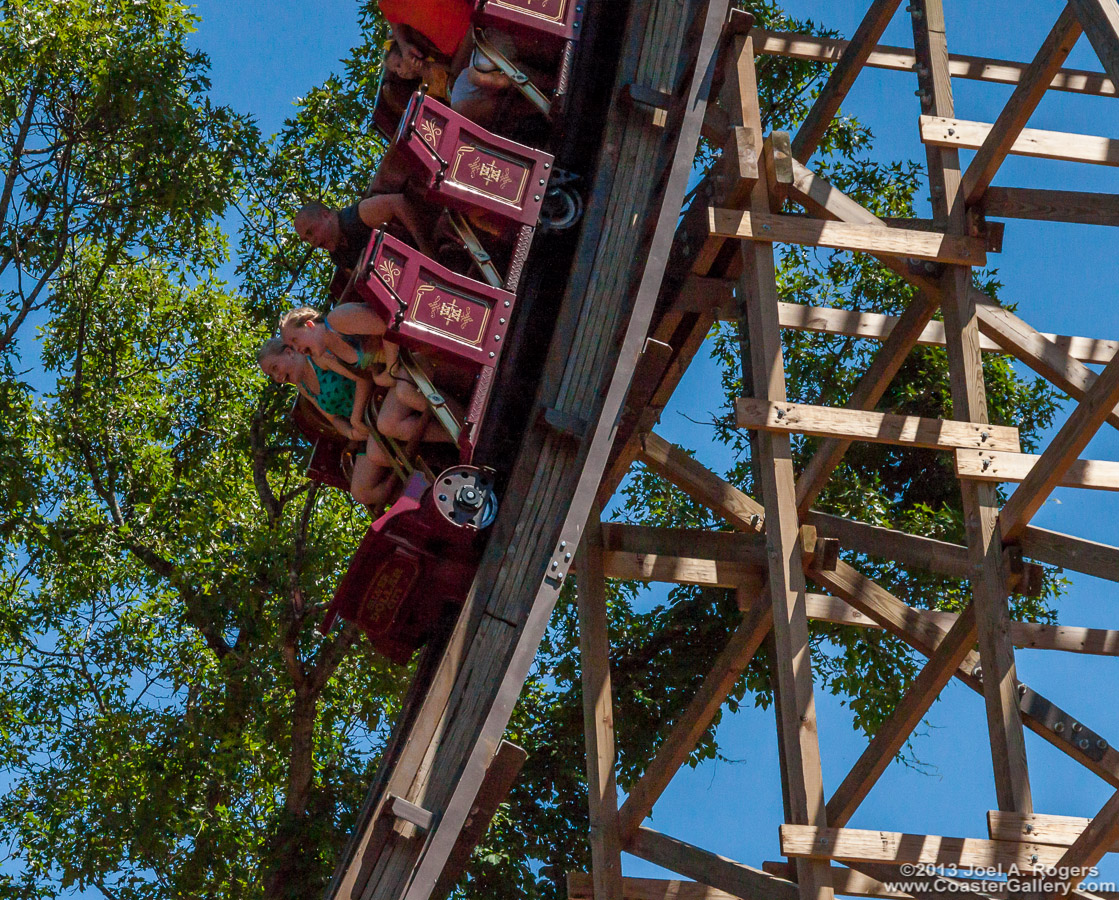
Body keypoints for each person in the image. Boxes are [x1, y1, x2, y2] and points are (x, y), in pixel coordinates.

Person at [278, 307, 452, 446]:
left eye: (295, 340)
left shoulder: (337, 320)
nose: (297, 349)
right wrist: (379, 376)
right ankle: (457, 438)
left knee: (405, 392)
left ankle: (468, 428)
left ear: (309, 325)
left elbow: (389, 324)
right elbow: (371, 366)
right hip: (406, 368)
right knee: (387, 425)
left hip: (418, 347)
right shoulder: (333, 353)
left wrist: (391, 368)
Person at [257, 337, 398, 508]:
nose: (277, 377)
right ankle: (419, 490)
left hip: (378, 402)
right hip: (368, 427)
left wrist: (355, 418)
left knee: (378, 453)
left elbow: (363, 377)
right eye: (272, 376)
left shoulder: (319, 358)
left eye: (275, 368)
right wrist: (350, 432)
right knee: (361, 492)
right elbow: (333, 418)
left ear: (289, 353)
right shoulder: (303, 387)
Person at [293, 195, 434, 271]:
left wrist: (428, 254)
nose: (313, 242)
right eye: (307, 240)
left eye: (310, 232)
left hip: (437, 244)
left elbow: (398, 203)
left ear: (326, 215)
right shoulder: (339, 257)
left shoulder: (359, 214)